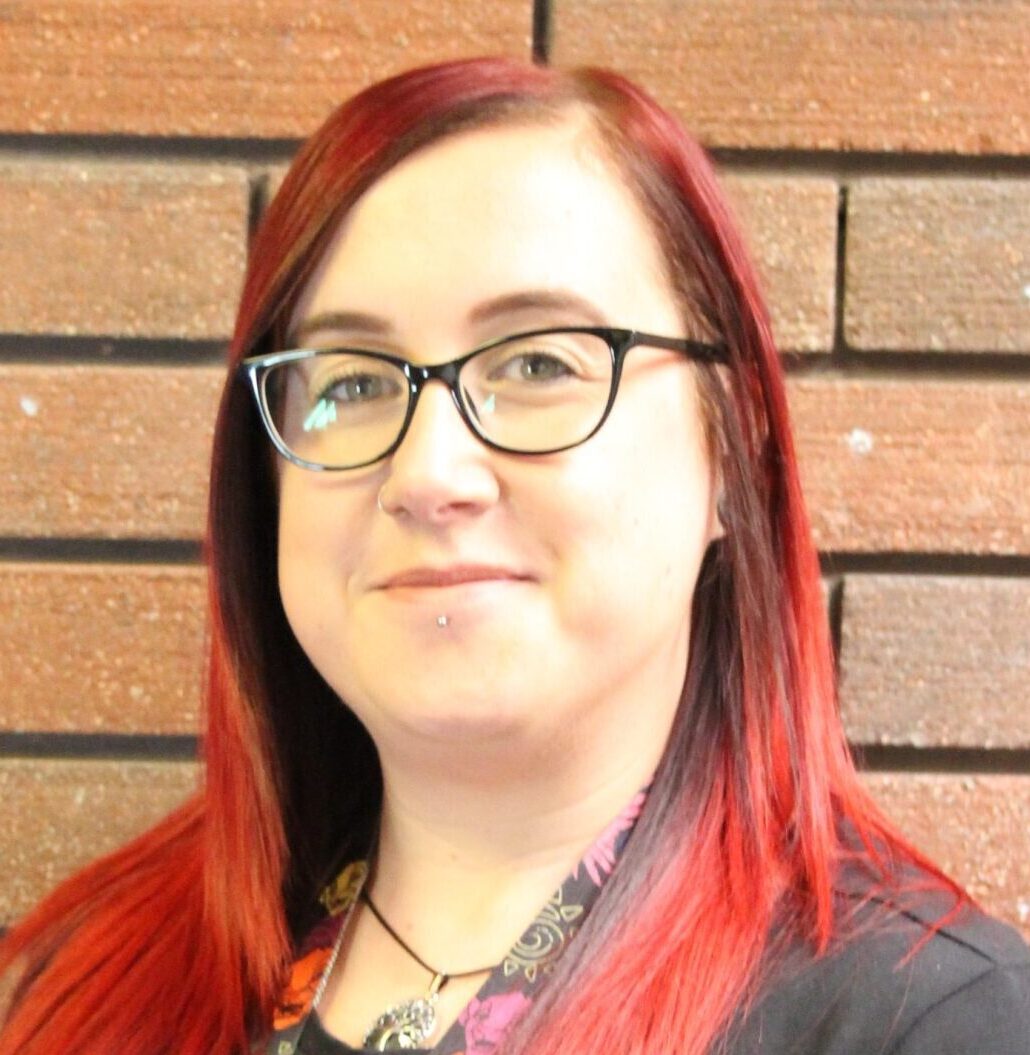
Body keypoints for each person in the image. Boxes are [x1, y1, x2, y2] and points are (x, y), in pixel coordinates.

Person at [1, 57, 1027, 1055]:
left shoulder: (921, 1019)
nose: (427, 472)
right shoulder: (85, 978)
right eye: (352, 382)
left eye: (539, 362)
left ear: (734, 444)